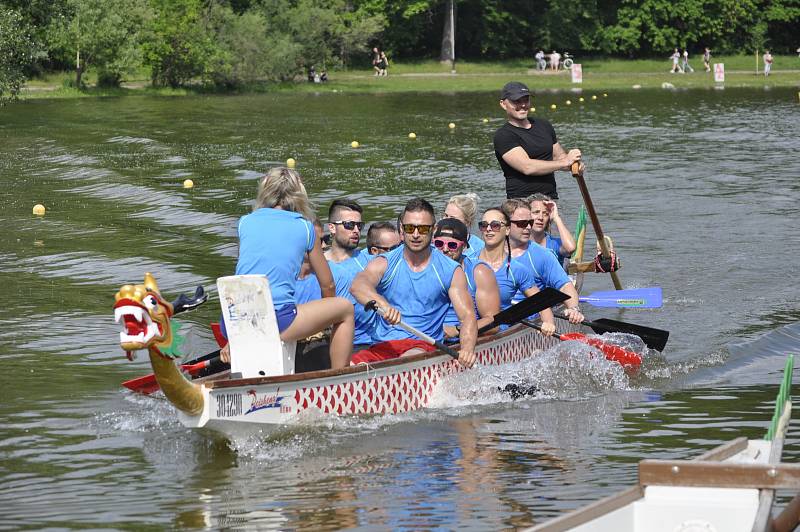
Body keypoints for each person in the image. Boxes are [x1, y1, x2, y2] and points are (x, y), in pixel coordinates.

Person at [220, 167, 354, 369]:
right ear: (299, 193)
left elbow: (245, 275)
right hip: (279, 320)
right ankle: (339, 379)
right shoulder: (305, 227)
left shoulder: (245, 222)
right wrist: (325, 324)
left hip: (234, 319)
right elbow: (328, 285)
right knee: (345, 309)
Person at [350, 198, 478, 367]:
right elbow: (358, 286)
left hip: (422, 346)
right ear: (402, 230)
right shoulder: (384, 263)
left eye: (423, 229)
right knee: (352, 364)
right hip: (382, 346)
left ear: (433, 230)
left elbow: (467, 316)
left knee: (407, 360)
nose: (416, 234)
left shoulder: (451, 270)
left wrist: (467, 350)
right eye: (410, 228)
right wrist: (384, 305)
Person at [493, 81, 583, 200]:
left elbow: (558, 158)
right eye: (517, 101)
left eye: (526, 100)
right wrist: (566, 161)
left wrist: (574, 165)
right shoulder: (503, 135)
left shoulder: (544, 125)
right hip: (521, 204)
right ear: (503, 104)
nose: (523, 105)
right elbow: (527, 167)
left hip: (550, 199)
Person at [502, 199, 584, 323]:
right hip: (496, 317)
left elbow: (565, 286)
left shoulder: (542, 255)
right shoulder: (485, 253)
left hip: (529, 319)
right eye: (522, 223)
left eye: (529, 222)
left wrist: (574, 309)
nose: (529, 227)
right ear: (506, 226)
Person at [476, 207, 556, 334]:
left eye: (495, 225)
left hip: (498, 334)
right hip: (469, 329)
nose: (489, 229)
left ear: (507, 230)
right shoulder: (468, 262)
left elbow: (542, 304)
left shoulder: (517, 270)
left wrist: (548, 324)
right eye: (484, 225)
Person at [432, 218, 501, 340]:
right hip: (426, 336)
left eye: (452, 245)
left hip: (460, 338)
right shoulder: (421, 268)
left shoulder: (479, 272)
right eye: (439, 244)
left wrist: (457, 329)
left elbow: (493, 322)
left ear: (463, 247)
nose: (445, 249)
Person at [527, 193, 576, 270]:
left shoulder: (554, 244)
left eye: (545, 214)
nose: (540, 217)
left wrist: (556, 218)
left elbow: (570, 248)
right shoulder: (519, 243)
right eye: (536, 212)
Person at [443, 193, 485, 257]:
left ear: (467, 222)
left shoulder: (480, 249)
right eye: (446, 215)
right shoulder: (435, 241)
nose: (446, 221)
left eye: (453, 218)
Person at [325, 198, 365, 263]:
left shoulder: (369, 261)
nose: (356, 230)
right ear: (332, 228)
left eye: (359, 225)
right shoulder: (316, 264)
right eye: (349, 224)